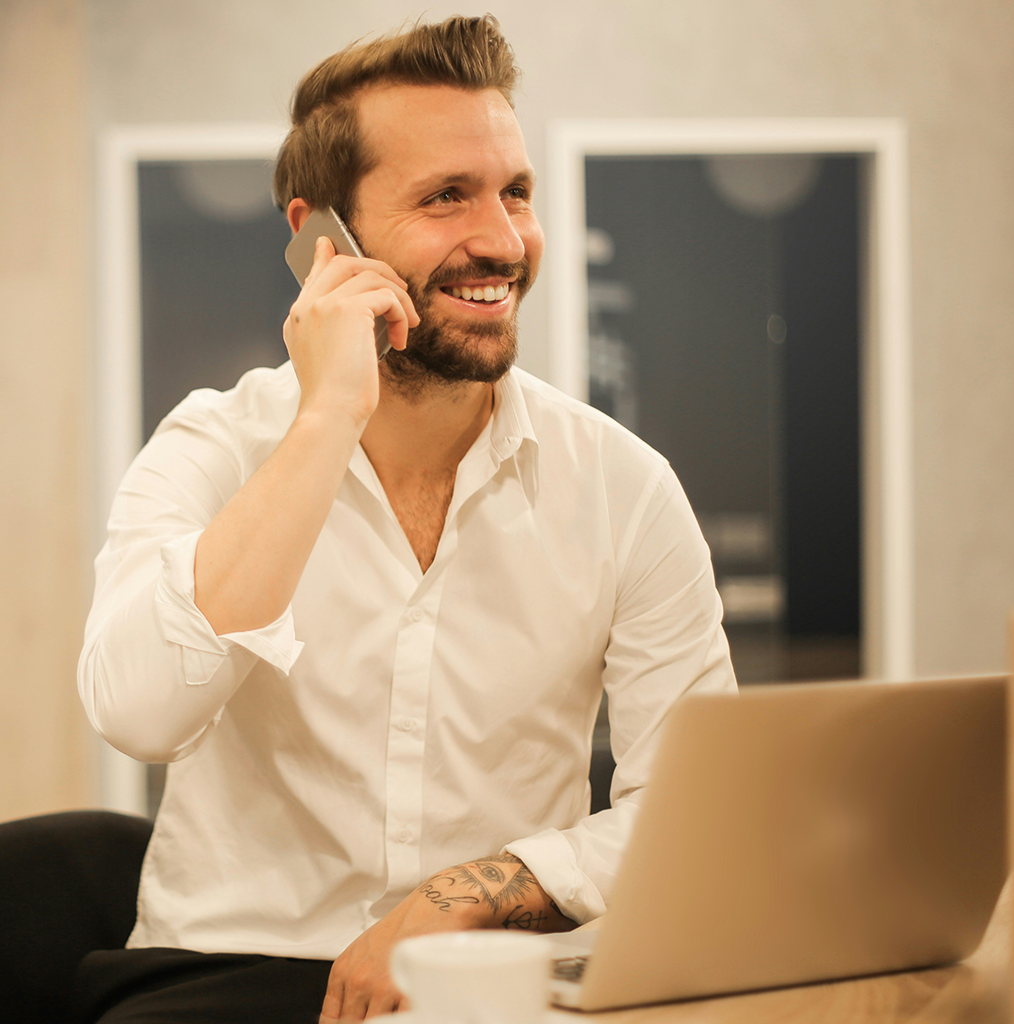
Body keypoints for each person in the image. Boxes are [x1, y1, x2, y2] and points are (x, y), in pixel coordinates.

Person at [76, 14, 736, 1024]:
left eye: (515, 191)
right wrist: (328, 418)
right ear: (319, 234)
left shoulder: (623, 486)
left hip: (500, 974)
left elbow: (690, 815)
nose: (504, 241)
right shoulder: (213, 446)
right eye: (445, 198)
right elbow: (139, 713)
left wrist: (464, 894)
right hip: (227, 970)